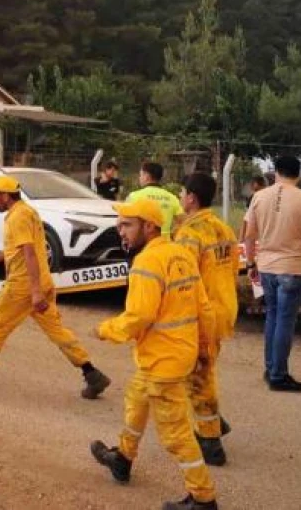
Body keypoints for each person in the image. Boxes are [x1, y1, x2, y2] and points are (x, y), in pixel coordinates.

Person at [89, 199, 219, 510]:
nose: (121, 231)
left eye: (128, 225)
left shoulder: (147, 263)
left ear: (150, 226)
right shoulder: (181, 254)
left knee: (175, 434)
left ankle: (203, 498)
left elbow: (138, 318)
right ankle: (122, 457)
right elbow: (204, 308)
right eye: (120, 224)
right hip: (172, 355)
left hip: (163, 361)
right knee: (136, 399)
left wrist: (105, 329)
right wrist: (204, 349)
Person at [0, 175, 111, 400]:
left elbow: (29, 253)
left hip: (23, 286)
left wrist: (34, 291)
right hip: (40, 281)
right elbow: (20, 249)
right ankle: (92, 373)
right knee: (57, 331)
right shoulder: (26, 212)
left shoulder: (18, 217)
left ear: (6, 196)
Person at [243, 156, 301, 392]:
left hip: (266, 266)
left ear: (276, 172)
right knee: (285, 322)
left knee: (272, 318)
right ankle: (279, 375)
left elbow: (249, 235)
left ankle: (271, 369)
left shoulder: (259, 196)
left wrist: (250, 264)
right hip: (292, 267)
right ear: (298, 175)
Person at [176, 173, 239, 466]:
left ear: (191, 198)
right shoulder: (224, 229)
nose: (179, 197)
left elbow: (184, 279)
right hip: (224, 308)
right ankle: (214, 420)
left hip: (201, 314)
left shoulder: (190, 234)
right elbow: (233, 268)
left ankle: (210, 440)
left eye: (181, 192)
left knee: (198, 376)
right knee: (201, 371)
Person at [127, 161, 184, 238]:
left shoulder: (134, 196)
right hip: (165, 245)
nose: (139, 178)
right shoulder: (172, 198)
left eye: (141, 175)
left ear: (147, 176)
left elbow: (127, 222)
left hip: (143, 245)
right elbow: (183, 222)